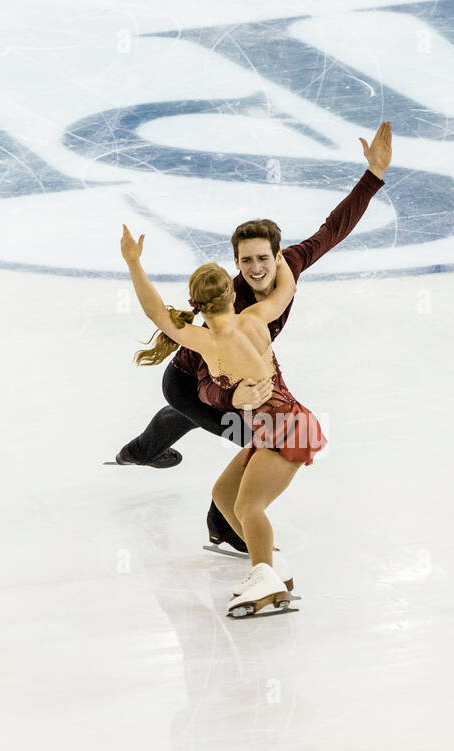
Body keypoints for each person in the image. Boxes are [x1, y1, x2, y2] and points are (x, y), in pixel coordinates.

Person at [114, 122, 393, 554]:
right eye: (246, 261)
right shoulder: (229, 301)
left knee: (245, 426)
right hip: (195, 381)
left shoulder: (290, 266)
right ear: (235, 262)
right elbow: (212, 377)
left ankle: (143, 451)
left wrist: (373, 176)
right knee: (256, 437)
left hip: (226, 383)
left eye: (264, 258)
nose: (256, 268)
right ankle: (222, 520)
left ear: (278, 255)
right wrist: (235, 398)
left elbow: (334, 228)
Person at [120, 226, 324, 617]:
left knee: (249, 507)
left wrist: (133, 263)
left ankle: (263, 575)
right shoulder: (254, 318)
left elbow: (155, 312)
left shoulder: (203, 340)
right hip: (274, 430)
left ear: (195, 302)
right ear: (232, 293)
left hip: (286, 429)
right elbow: (287, 291)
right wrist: (279, 262)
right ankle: (273, 566)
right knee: (224, 496)